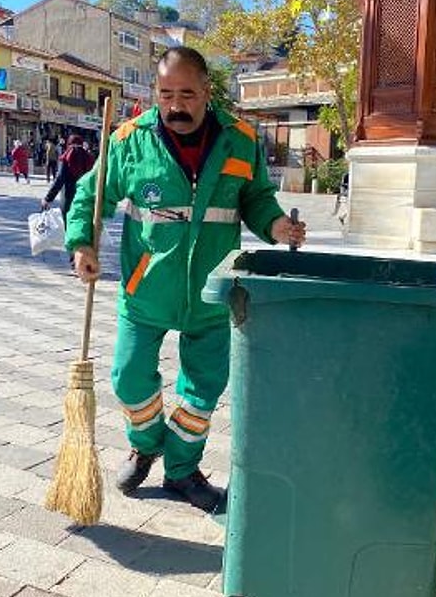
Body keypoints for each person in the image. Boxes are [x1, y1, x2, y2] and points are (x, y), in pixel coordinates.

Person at [66, 46, 306, 512]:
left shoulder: (240, 139)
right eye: (166, 93)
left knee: (202, 390)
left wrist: (276, 226)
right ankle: (146, 444)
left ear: (207, 93)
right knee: (129, 379)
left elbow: (256, 198)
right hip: (145, 290)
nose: (176, 105)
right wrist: (82, 244)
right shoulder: (128, 141)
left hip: (213, 293)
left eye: (187, 94)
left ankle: (181, 470)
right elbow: (91, 195)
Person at [41, 134, 94, 220]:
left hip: (70, 198)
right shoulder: (89, 157)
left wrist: (48, 198)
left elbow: (60, 179)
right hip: (86, 198)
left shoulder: (68, 156)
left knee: (69, 224)